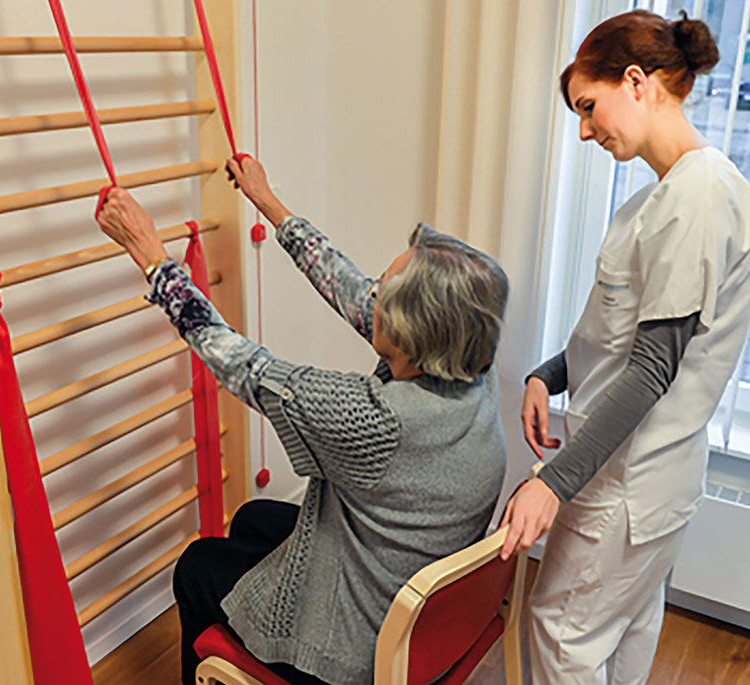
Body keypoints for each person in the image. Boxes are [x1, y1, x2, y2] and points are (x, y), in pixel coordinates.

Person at [96, 154, 509, 684]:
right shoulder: (472, 363)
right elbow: (348, 287)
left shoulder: (375, 419)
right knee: (252, 520)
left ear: (407, 331)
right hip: (413, 585)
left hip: (358, 646)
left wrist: (152, 257)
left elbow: (240, 362)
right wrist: (269, 204)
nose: (370, 296)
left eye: (382, 293)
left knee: (198, 566)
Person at [498, 10, 750, 684]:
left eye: (589, 106)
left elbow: (651, 370)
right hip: (643, 480)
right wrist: (546, 374)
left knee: (562, 632)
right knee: (628, 625)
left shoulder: (697, 199)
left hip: (627, 485)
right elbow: (618, 334)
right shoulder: (662, 199)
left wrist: (552, 484)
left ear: (637, 81)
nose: (584, 129)